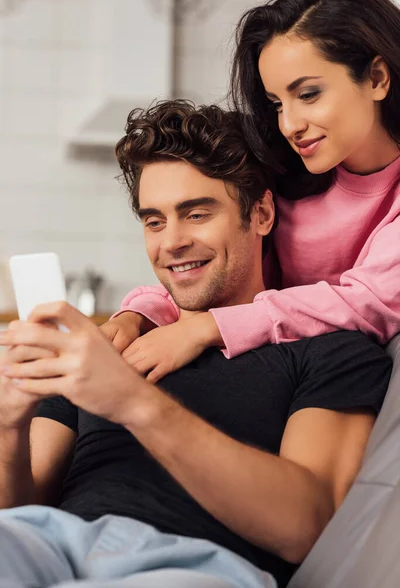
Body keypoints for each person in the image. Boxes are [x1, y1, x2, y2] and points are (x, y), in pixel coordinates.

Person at [0, 102, 391, 588]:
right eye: (154, 221)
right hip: (49, 542)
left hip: (191, 566)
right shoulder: (110, 345)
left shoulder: (329, 350)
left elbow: (305, 526)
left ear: (262, 213)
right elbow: (19, 510)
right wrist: (7, 426)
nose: (173, 243)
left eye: (197, 213)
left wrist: (134, 402)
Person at [101, 0, 400, 384]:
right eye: (277, 103)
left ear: (377, 78)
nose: (289, 124)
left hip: (343, 388)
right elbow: (214, 273)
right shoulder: (281, 170)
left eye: (308, 94)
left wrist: (207, 328)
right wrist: (139, 312)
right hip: (264, 376)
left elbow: (370, 303)